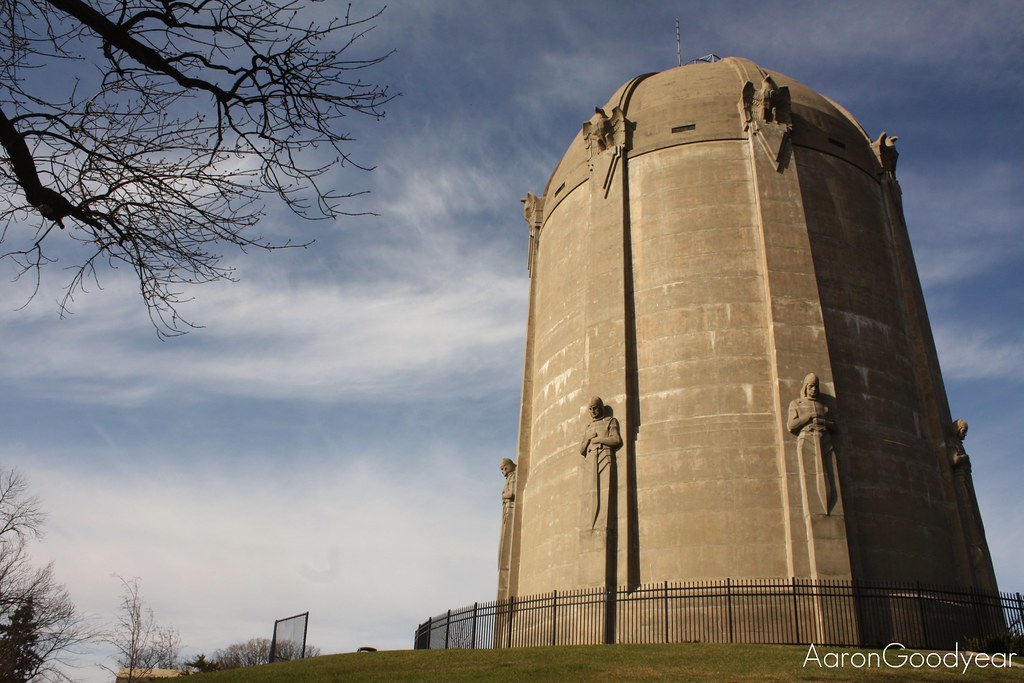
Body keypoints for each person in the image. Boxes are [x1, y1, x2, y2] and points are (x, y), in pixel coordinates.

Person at [787, 373, 838, 514]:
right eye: (811, 386)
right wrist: (809, 416)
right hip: (807, 439)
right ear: (805, 387)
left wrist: (823, 421)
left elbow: (835, 426)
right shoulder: (797, 404)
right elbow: (791, 425)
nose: (814, 389)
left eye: (816, 387)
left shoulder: (824, 407)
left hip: (824, 439)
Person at [579, 396, 622, 531]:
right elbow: (581, 450)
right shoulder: (588, 427)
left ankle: (602, 523)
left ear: (601, 408)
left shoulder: (610, 421)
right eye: (590, 409)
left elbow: (616, 440)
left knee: (604, 493)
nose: (593, 411)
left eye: (595, 408)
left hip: (604, 457)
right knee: (590, 496)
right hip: (590, 459)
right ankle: (591, 525)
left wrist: (599, 439)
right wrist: (588, 440)